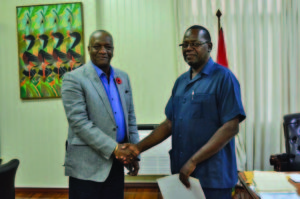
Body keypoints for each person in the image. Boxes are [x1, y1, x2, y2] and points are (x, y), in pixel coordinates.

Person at [124, 25, 246, 199]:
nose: (189, 48)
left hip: (213, 177)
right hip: (182, 173)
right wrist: (137, 148)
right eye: (185, 44)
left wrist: (194, 161)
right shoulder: (181, 82)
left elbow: (231, 127)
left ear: (209, 46)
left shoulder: (224, 78)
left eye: (195, 43)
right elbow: (169, 124)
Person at [61, 30, 139, 199]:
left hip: (116, 164)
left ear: (113, 50)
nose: (103, 51)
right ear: (88, 49)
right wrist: (115, 149)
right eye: (97, 46)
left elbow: (130, 117)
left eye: (108, 47)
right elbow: (79, 123)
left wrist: (135, 153)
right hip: (86, 167)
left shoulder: (123, 77)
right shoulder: (73, 79)